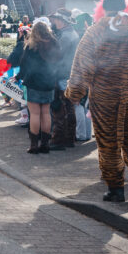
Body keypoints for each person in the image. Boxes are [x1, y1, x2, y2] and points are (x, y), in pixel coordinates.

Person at [66, 0, 128, 202]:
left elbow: (83, 64)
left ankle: (115, 189)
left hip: (104, 97)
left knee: (108, 143)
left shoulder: (95, 31)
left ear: (103, 7)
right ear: (125, 7)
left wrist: (75, 93)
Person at [8, 20, 61, 154]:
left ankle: (34, 145)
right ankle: (45, 144)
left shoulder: (31, 46)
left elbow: (24, 64)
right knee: (46, 113)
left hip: (33, 83)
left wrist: (19, 76)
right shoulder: (54, 44)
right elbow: (59, 62)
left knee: (35, 114)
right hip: (49, 82)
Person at [48, 10, 80, 150]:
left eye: (57, 19)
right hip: (68, 74)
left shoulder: (66, 36)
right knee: (69, 107)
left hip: (62, 74)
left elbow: (56, 55)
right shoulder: (70, 33)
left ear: (63, 21)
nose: (55, 22)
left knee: (60, 108)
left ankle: (59, 141)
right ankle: (69, 139)